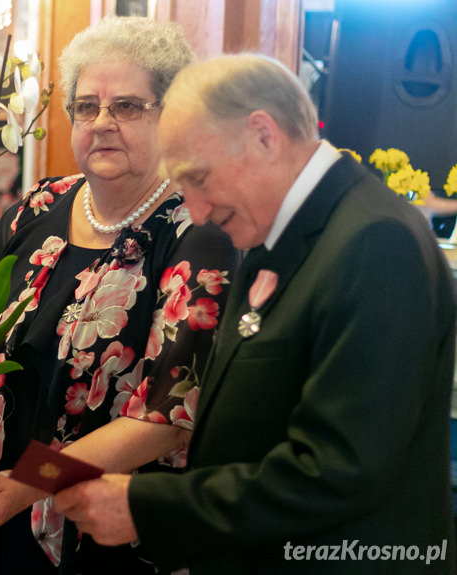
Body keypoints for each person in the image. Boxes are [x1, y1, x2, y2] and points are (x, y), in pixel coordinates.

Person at [54, 53, 457, 574]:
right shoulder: (274, 228)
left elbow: (338, 469)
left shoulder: (374, 241)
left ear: (264, 134)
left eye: (199, 178)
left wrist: (150, 507)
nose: (196, 210)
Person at [0, 17, 240, 575]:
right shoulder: (41, 205)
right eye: (87, 106)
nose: (103, 123)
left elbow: (166, 414)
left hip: (106, 531)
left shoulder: (199, 232)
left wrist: (32, 483)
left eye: (127, 107)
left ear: (172, 117)